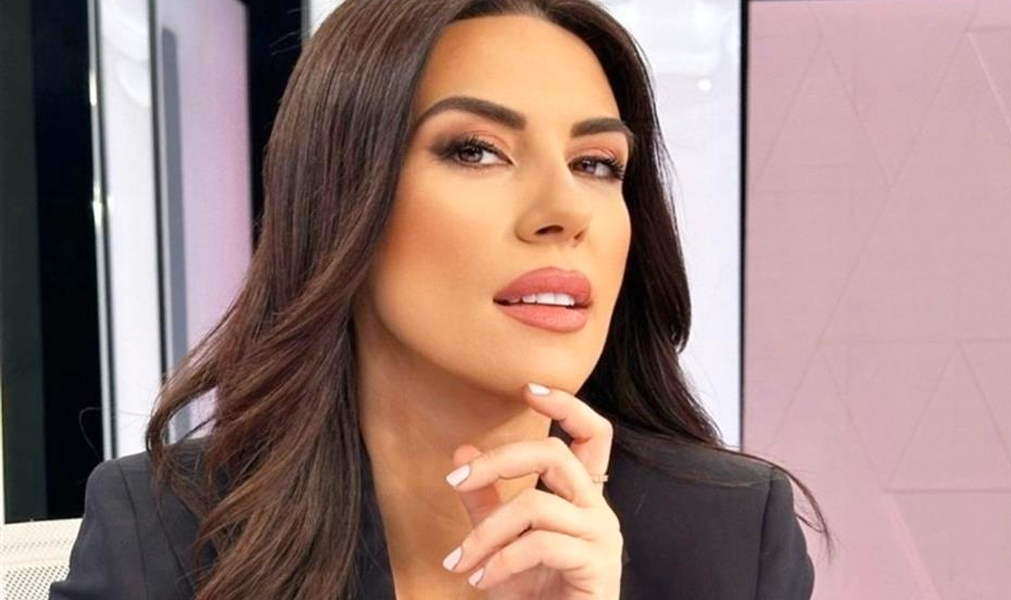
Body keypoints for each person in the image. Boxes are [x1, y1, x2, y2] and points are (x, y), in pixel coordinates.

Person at [50, 0, 829, 598]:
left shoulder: (730, 537)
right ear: (344, 200)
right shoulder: (165, 531)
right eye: (476, 151)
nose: (565, 211)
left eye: (596, 163)